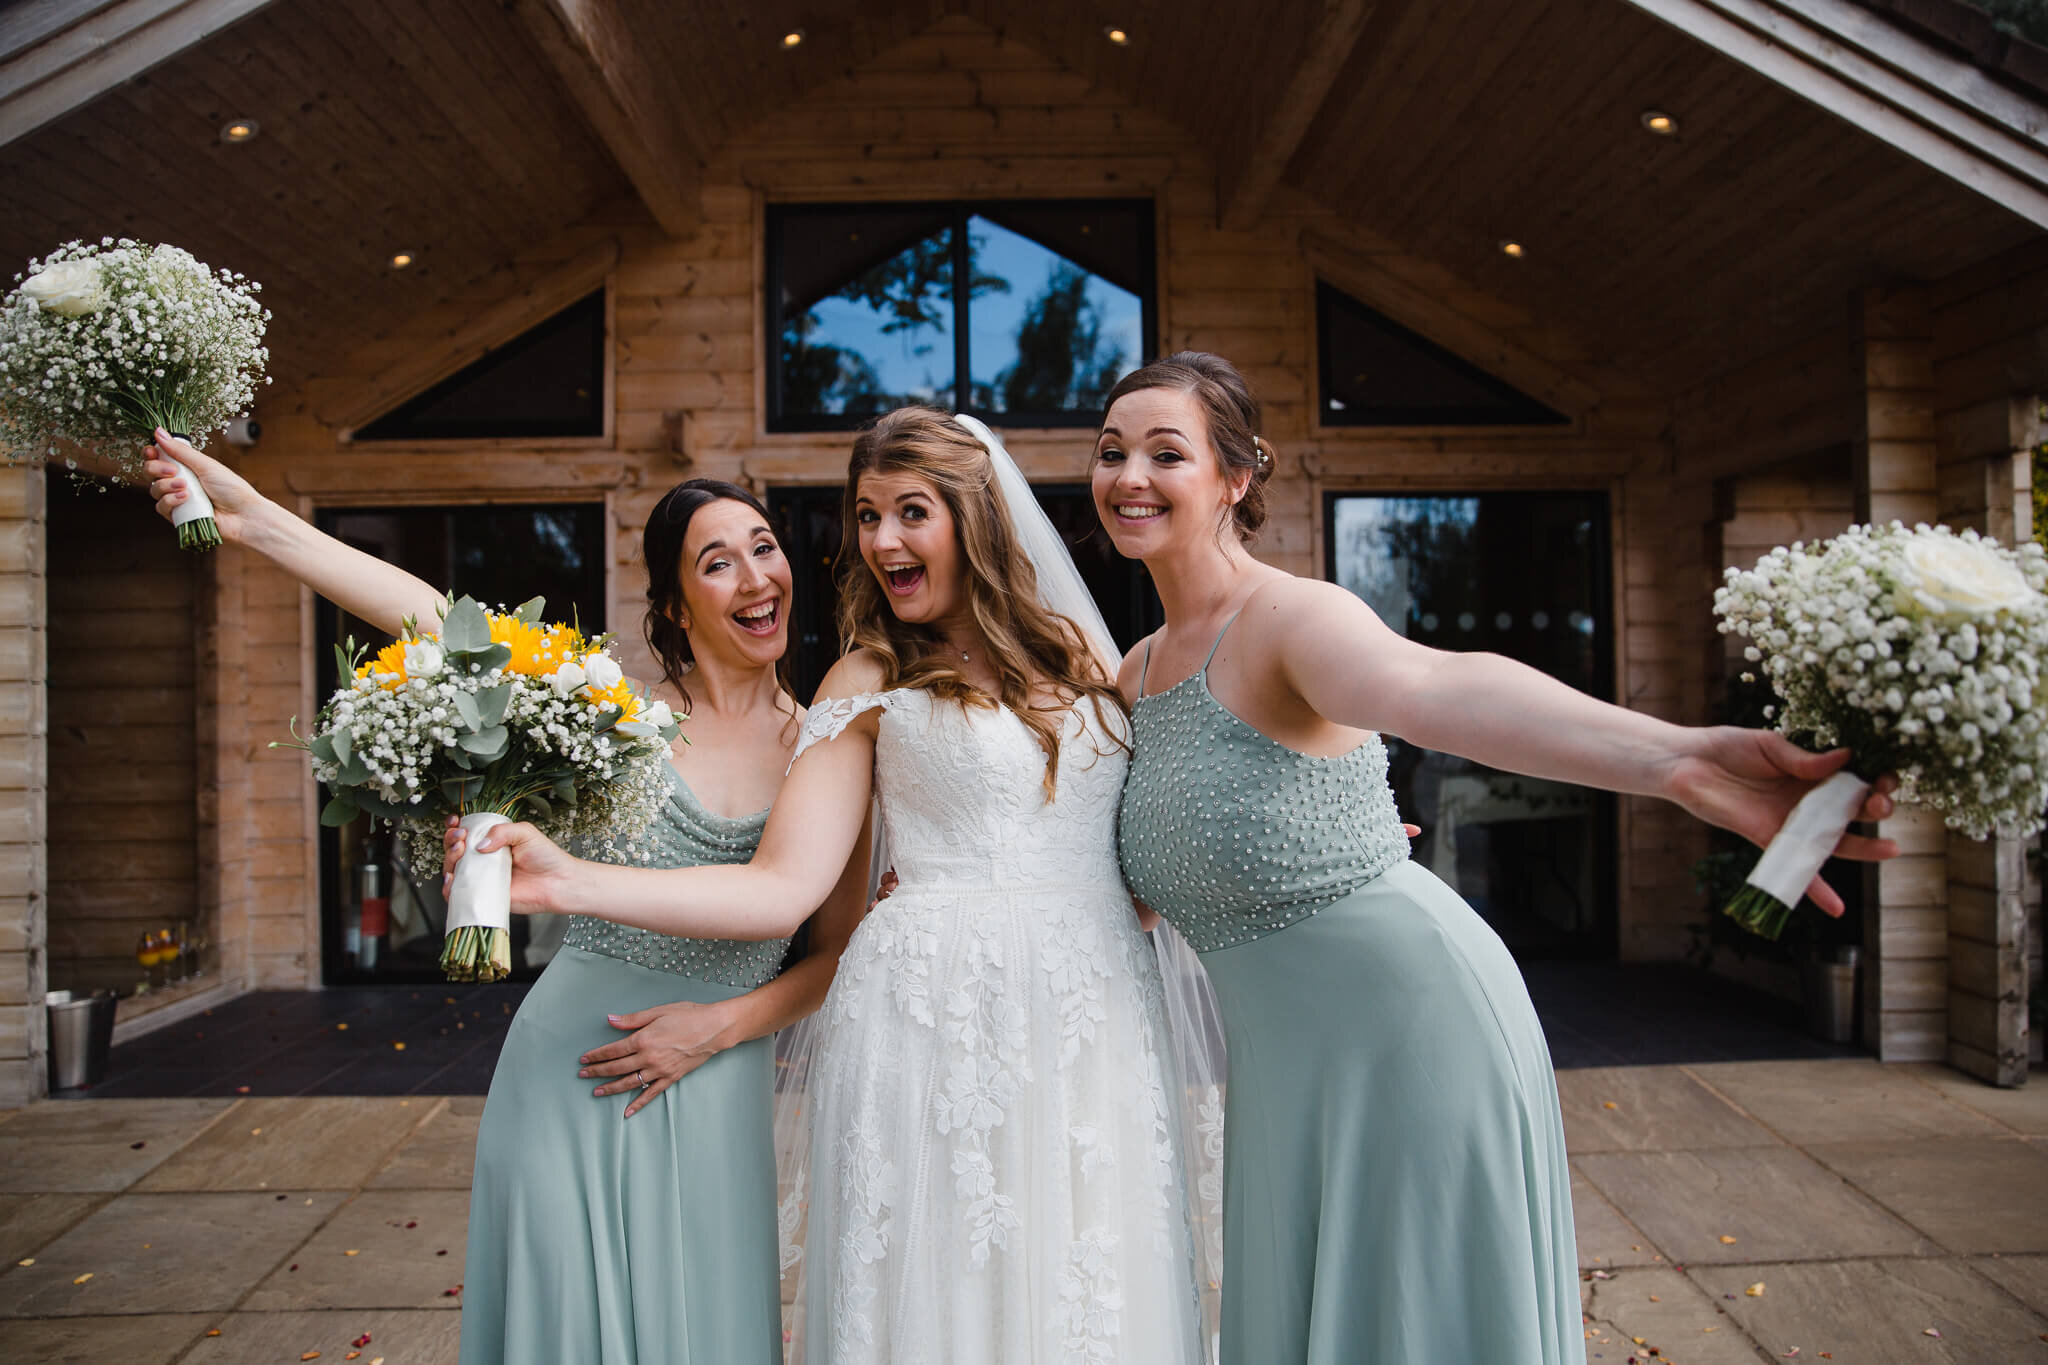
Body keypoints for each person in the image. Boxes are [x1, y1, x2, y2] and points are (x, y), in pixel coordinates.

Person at [1091, 353, 1901, 1365]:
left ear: (1235, 476)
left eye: (1165, 452)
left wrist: (1680, 759)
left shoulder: (1290, 619)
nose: (1129, 476)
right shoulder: (1130, 676)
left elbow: (1437, 688)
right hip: (1286, 1074)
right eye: (1112, 451)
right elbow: (1122, 885)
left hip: (1410, 1025)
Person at [448, 409, 1209, 1364]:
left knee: (1089, 1283)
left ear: (976, 515)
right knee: (950, 1299)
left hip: (1088, 1013)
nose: (882, 539)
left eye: (911, 512)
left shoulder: (1085, 654)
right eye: (867, 515)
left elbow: (1138, 858)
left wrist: (1262, 847)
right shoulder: (865, 675)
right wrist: (569, 881)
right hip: (935, 1030)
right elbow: (782, 889)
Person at [145, 435, 870, 1365]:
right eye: (716, 561)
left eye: (763, 547)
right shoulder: (610, 718)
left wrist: (721, 1028)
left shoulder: (831, 747)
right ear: (677, 607)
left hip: (719, 1080)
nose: (753, 576)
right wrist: (255, 520)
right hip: (566, 1071)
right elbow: (440, 622)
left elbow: (834, 953)